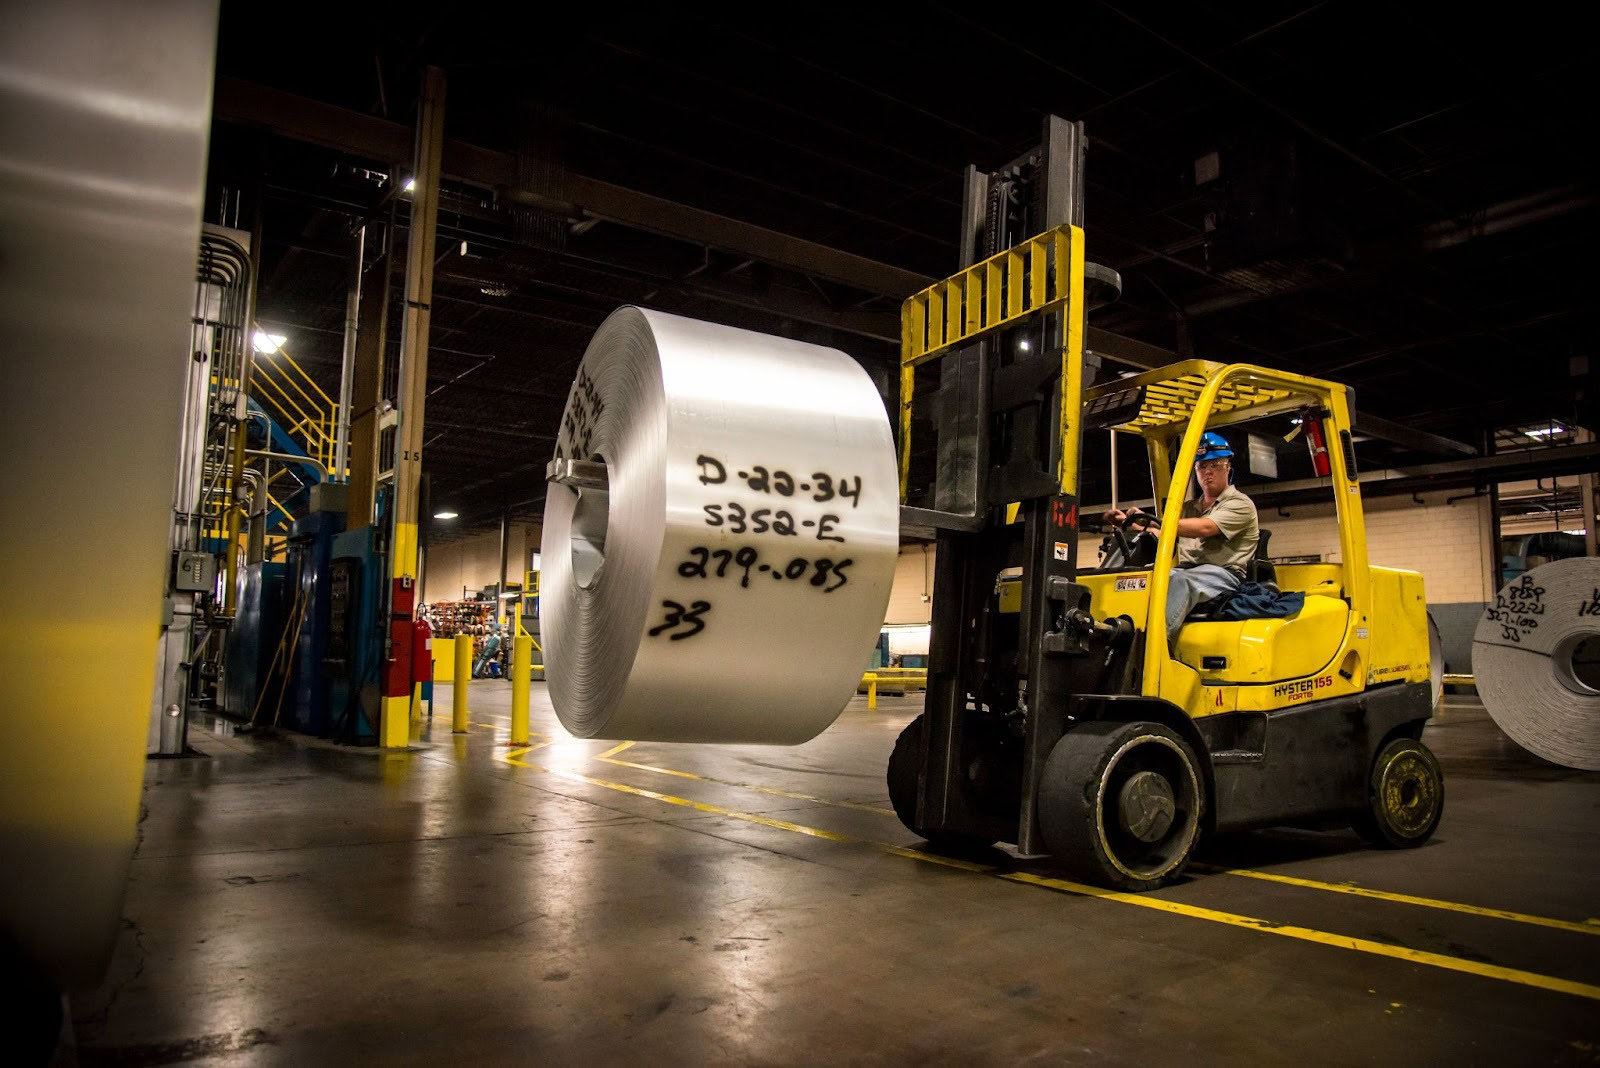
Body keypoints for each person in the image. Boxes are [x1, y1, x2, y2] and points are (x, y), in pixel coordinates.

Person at [1103, 431, 1259, 643]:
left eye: (1215, 465)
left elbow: (1205, 528)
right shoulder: (1188, 508)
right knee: (1141, 580)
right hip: (1190, 570)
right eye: (1202, 466)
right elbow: (1160, 533)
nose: (1208, 472)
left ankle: (1152, 649)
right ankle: (1115, 636)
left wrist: (1149, 520)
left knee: (1179, 580)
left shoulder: (1239, 503)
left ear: (1227, 467)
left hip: (1225, 574)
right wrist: (1130, 524)